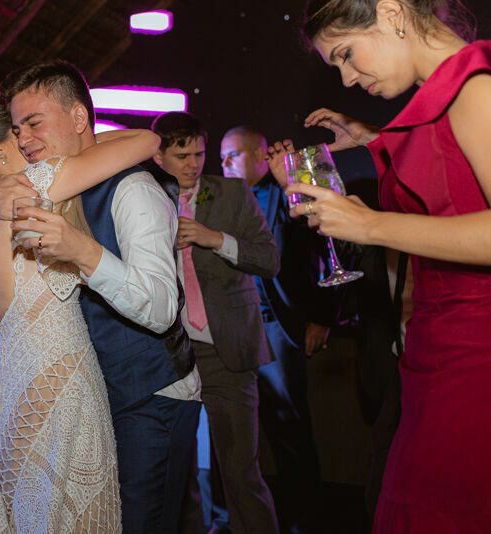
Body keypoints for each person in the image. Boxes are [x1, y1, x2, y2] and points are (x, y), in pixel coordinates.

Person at [0, 60, 199, 533]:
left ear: (79, 119)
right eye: (17, 129)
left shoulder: (133, 189)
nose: (24, 139)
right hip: (78, 392)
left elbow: (162, 311)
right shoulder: (41, 186)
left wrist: (84, 252)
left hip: (149, 392)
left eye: (34, 123)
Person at [290, 1, 491, 531]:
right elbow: (454, 178)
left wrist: (369, 225)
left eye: (346, 55)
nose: (348, 79)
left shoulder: (476, 87)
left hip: (476, 359)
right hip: (437, 348)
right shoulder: (448, 93)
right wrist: (375, 140)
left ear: (390, 13)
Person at [151, 112, 280, 534]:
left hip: (229, 350)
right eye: (181, 155)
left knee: (241, 469)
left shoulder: (233, 192)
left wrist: (214, 239)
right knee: (176, 474)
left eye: (199, 154)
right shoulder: (144, 199)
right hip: (170, 354)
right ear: (159, 156)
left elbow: (270, 259)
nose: (193, 163)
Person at [222, 125, 345, 533]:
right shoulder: (222, 201)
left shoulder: (284, 194)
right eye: (221, 157)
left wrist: (323, 317)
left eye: (232, 155)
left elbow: (326, 248)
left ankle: (305, 521)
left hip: (278, 328)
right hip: (234, 331)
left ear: (259, 155)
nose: (223, 165)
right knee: (243, 434)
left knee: (290, 428)